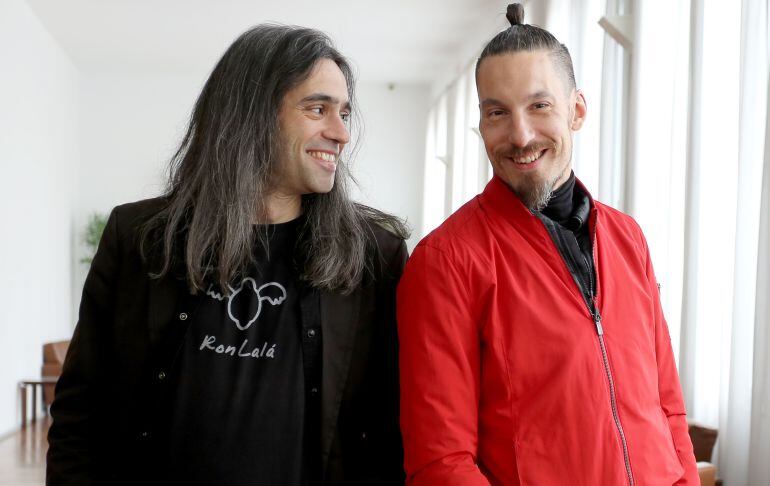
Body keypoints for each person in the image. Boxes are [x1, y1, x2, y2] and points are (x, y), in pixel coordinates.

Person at [47, 24, 408, 486]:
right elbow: (82, 409)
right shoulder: (138, 239)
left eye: (344, 113)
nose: (341, 132)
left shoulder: (375, 257)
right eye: (317, 108)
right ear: (252, 113)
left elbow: (388, 429)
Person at [397, 4, 698, 485]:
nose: (520, 135)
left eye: (540, 106)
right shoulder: (445, 261)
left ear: (577, 110)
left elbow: (668, 409)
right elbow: (441, 462)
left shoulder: (628, 238)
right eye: (498, 113)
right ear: (481, 124)